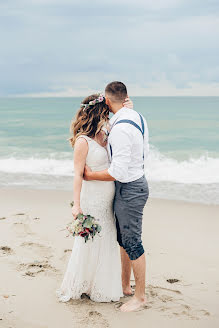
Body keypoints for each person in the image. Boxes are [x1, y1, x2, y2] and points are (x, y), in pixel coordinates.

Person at [57, 93, 133, 302]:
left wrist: (128, 108)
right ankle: (80, 283)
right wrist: (77, 205)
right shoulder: (83, 141)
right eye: (106, 111)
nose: (109, 114)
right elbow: (77, 175)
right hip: (92, 198)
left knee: (106, 239)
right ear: (98, 111)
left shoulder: (105, 134)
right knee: (89, 241)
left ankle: (99, 284)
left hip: (108, 198)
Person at [84, 81, 149, 312]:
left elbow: (117, 172)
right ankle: (125, 286)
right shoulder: (136, 116)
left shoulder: (121, 128)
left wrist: (90, 175)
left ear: (109, 101)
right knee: (124, 239)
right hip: (134, 182)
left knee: (132, 242)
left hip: (130, 188)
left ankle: (140, 297)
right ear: (126, 98)